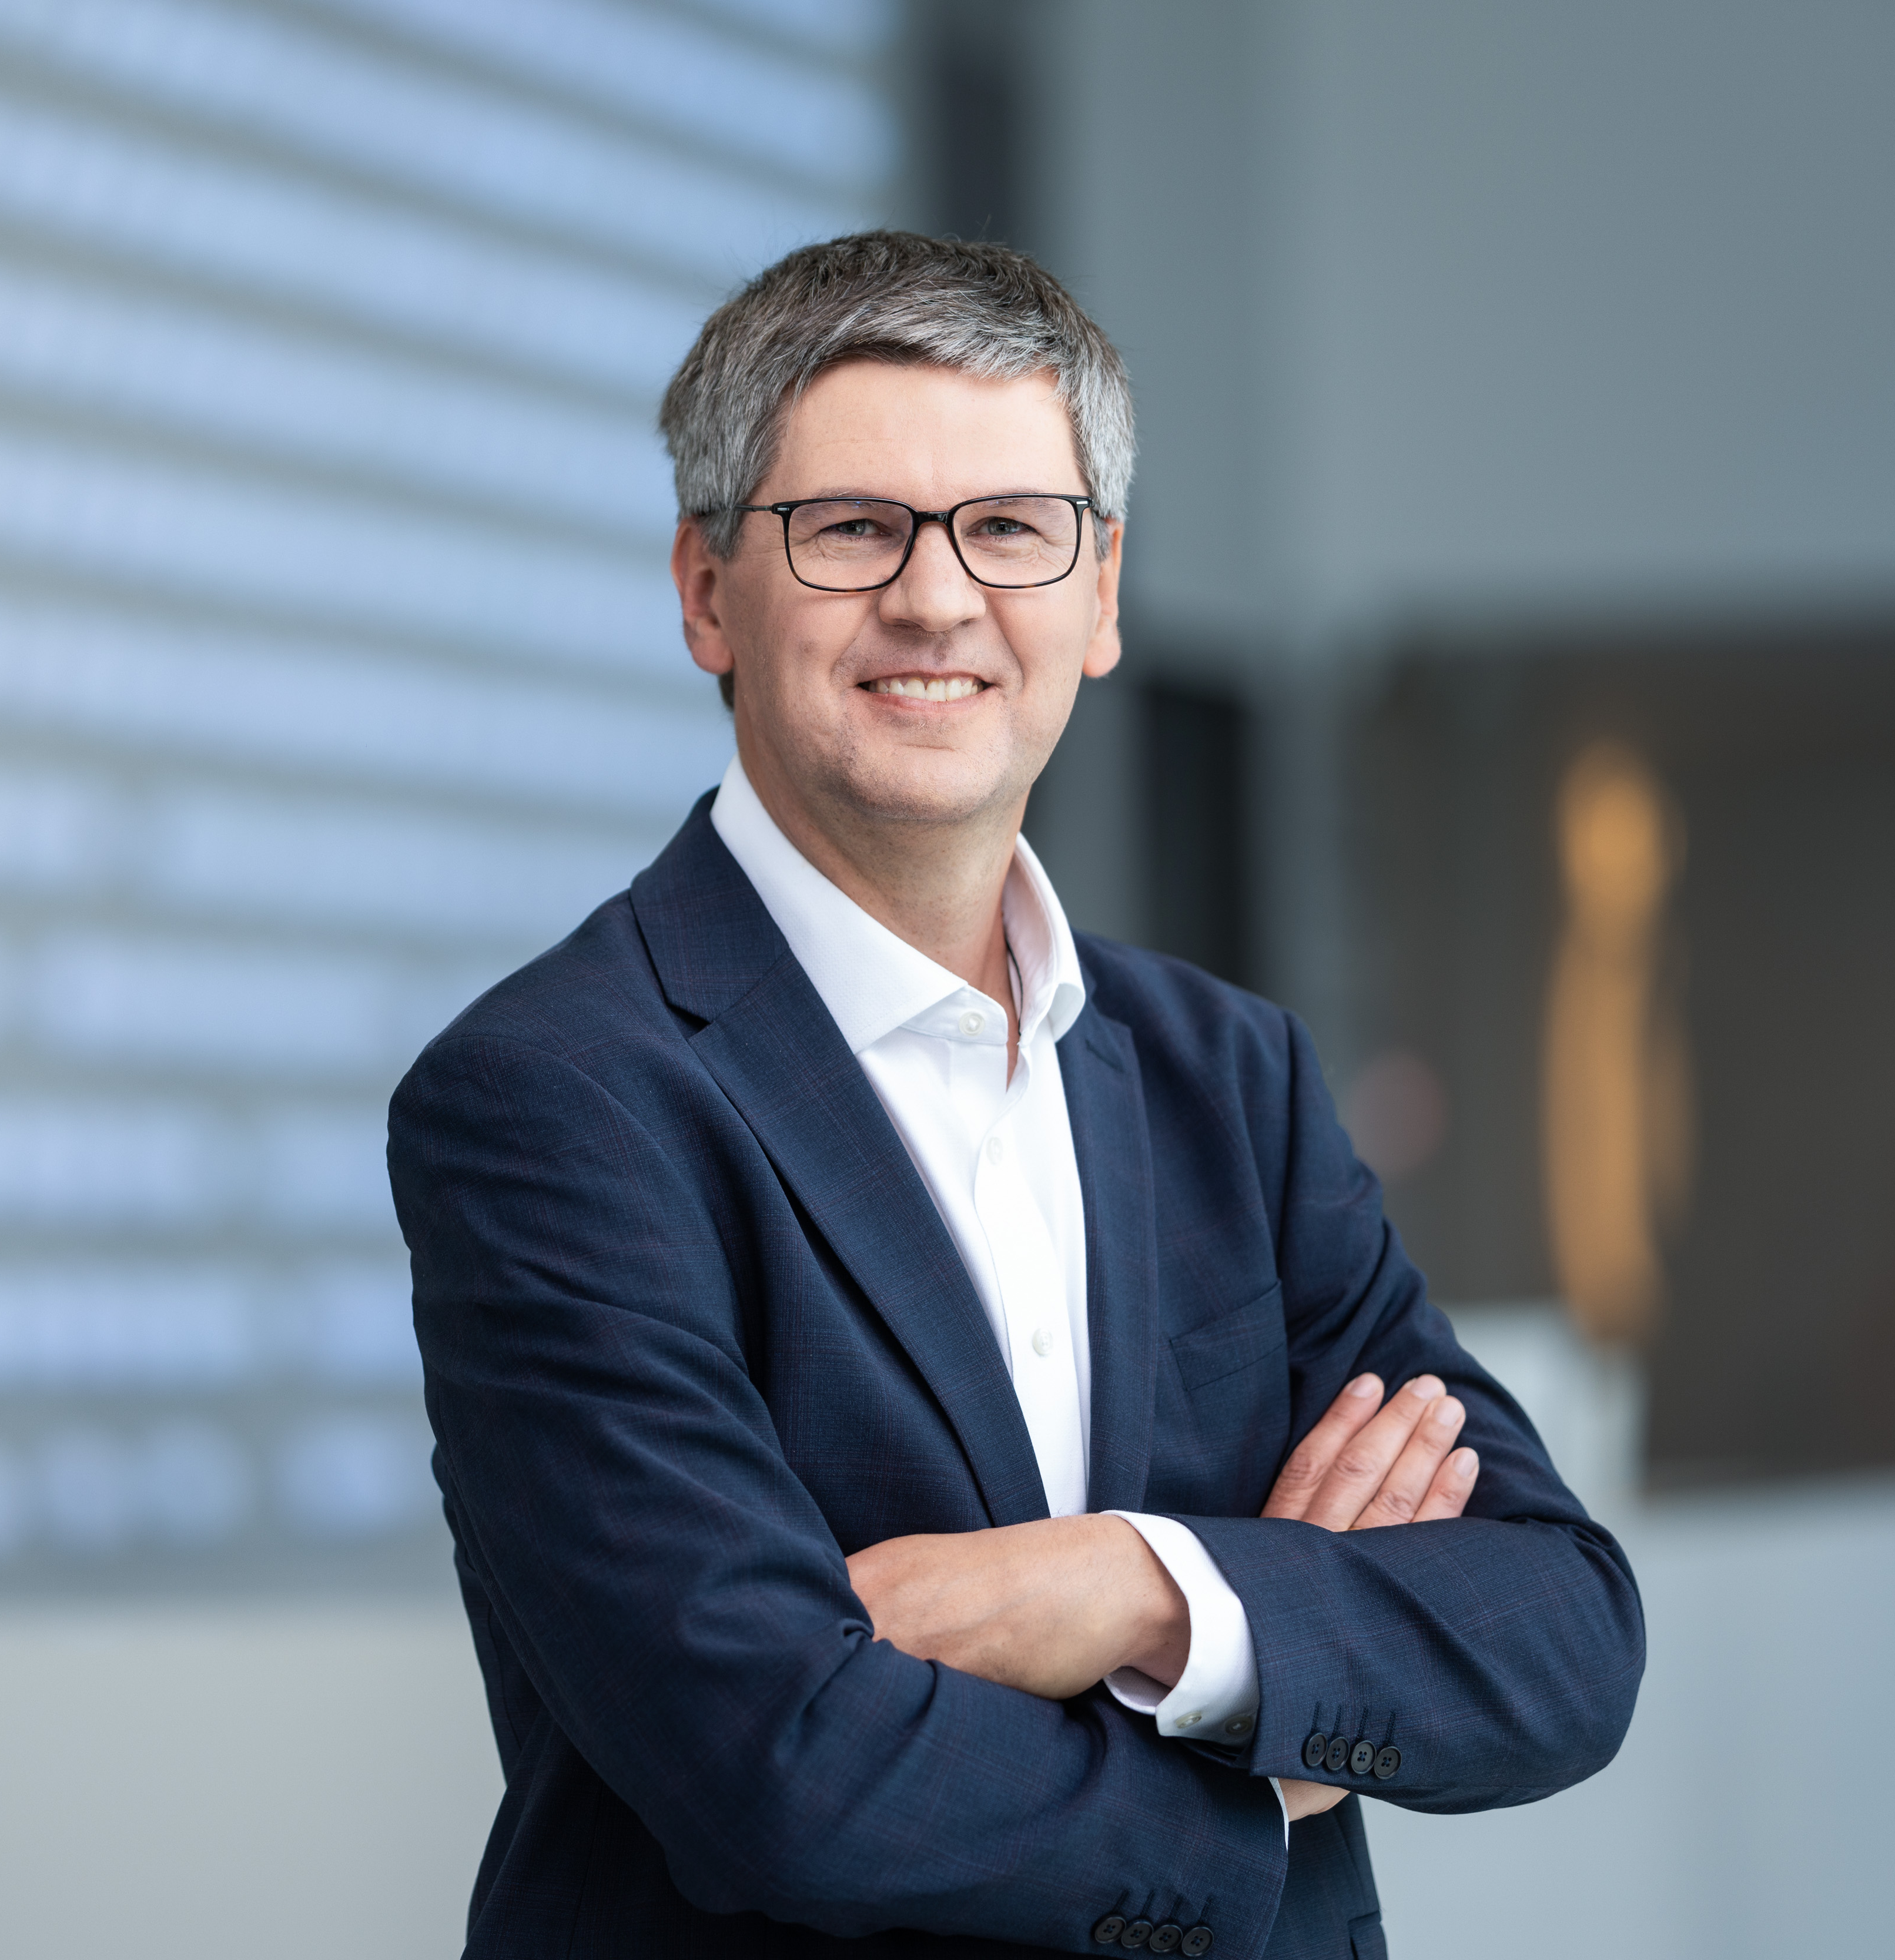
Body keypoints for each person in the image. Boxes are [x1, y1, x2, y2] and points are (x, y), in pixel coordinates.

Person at [386, 233, 1642, 1958]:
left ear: (1100, 591)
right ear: (706, 591)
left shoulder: (1231, 1076)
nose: (936, 599)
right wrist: (1265, 1744)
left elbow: (1561, 1634)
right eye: (851, 529)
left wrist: (1126, 1585)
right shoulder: (555, 1100)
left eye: (1010, 527)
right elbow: (781, 1769)